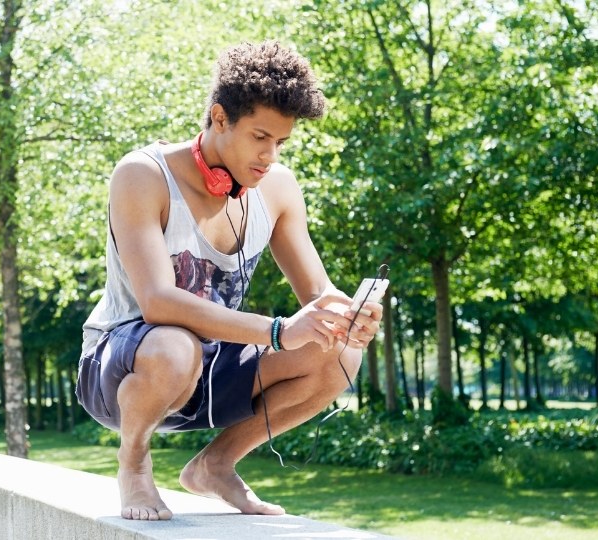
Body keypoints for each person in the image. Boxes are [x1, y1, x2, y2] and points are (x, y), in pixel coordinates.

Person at [76, 40, 383, 521]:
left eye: (280, 143)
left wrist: (346, 319)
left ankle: (216, 465)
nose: (269, 156)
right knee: (175, 346)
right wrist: (280, 330)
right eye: (260, 136)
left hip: (213, 368)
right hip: (125, 366)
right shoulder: (143, 175)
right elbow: (158, 302)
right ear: (220, 118)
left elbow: (317, 297)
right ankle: (133, 462)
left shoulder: (277, 188)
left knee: (340, 354)